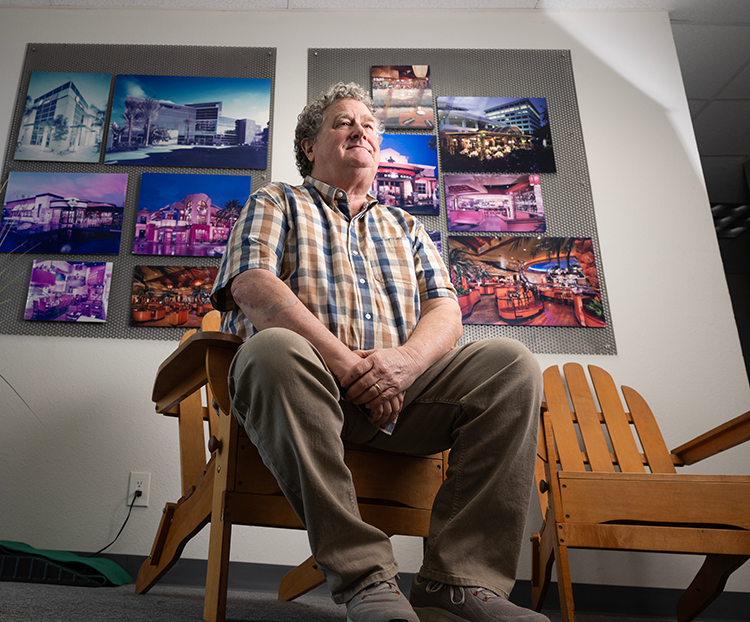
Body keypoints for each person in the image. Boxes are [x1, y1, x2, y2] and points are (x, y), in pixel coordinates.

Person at [211, 82, 547, 622]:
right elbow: (252, 284)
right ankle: (365, 576)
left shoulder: (408, 226)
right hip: (301, 393)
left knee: (511, 364)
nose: (360, 130)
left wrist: (404, 365)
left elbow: (446, 313)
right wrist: (346, 364)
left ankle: (459, 582)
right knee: (271, 350)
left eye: (368, 124)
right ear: (309, 147)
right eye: (343, 122)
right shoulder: (276, 200)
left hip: (402, 400)